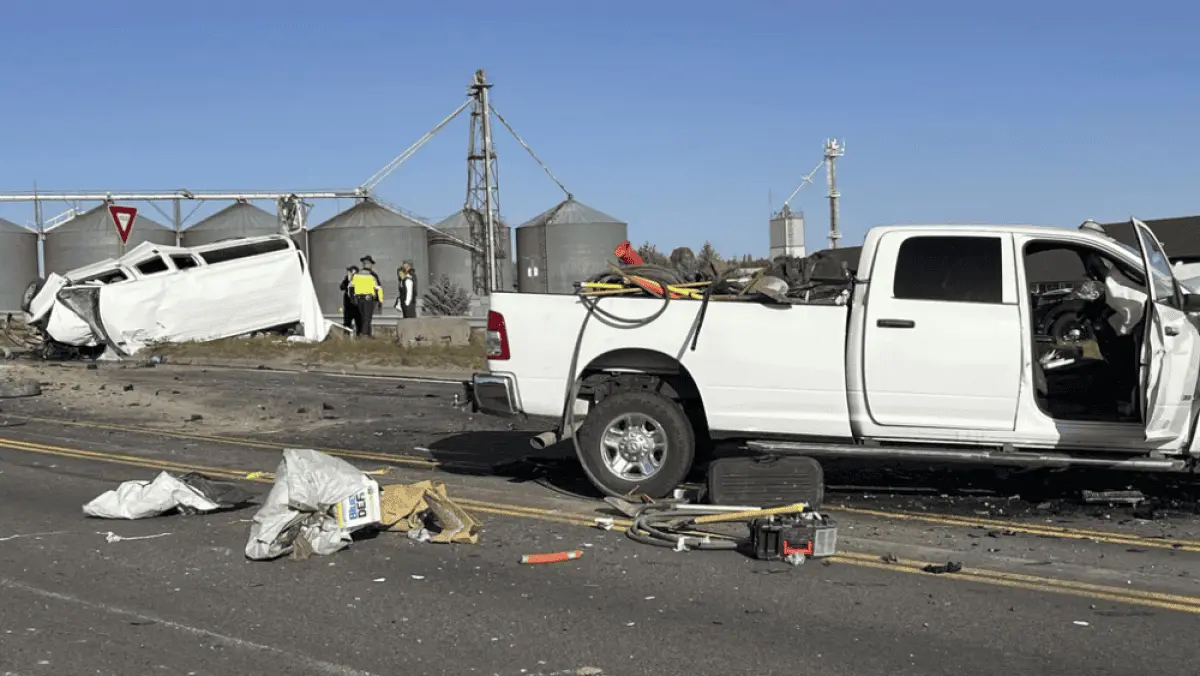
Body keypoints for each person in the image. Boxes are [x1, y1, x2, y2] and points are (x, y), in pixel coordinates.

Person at [350, 256, 384, 337]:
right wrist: (380, 300)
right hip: (368, 299)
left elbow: (351, 287)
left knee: (363, 318)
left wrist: (352, 298)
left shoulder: (356, 274)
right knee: (367, 318)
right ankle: (365, 335)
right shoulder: (373, 275)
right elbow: (378, 288)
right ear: (369, 264)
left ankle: (368, 334)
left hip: (358, 299)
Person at [338, 265, 361, 334]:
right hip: (348, 306)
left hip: (357, 306)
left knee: (359, 323)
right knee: (347, 323)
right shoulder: (347, 279)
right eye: (349, 272)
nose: (349, 273)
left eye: (351, 271)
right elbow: (341, 287)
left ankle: (359, 336)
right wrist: (348, 281)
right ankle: (346, 336)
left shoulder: (359, 279)